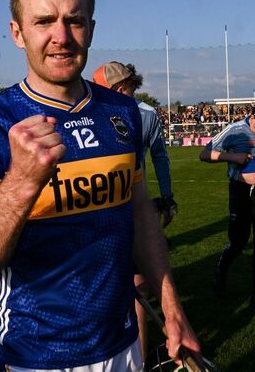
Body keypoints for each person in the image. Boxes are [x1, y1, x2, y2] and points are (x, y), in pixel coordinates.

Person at [0, 0, 200, 371]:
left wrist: (172, 309)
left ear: (91, 29)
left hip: (123, 344)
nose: (61, 37)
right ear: (17, 33)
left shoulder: (122, 110)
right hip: (35, 355)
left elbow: (139, 213)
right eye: (44, 21)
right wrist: (22, 182)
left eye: (74, 21)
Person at [91, 61, 177, 360]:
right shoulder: (85, 110)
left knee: (136, 284)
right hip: (99, 212)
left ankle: (137, 358)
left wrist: (166, 197)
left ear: (119, 88)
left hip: (127, 209)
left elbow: (160, 157)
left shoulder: (144, 114)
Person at [200, 101, 255, 312]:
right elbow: (204, 154)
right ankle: (221, 271)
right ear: (253, 117)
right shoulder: (235, 130)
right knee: (238, 242)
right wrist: (231, 156)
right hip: (240, 192)